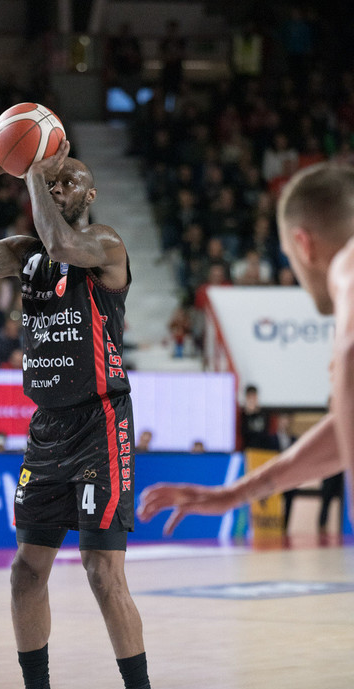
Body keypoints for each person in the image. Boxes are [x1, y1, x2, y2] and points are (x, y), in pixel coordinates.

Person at [0, 123, 171, 689]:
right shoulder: (25, 254)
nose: (59, 185)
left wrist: (36, 170)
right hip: (47, 429)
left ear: (88, 193)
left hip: (101, 423)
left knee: (102, 571)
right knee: (25, 570)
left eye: (70, 179)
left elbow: (64, 242)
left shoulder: (103, 244)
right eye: (53, 178)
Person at [138, 162, 354, 538]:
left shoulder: (346, 269)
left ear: (303, 245)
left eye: (288, 255)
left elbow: (349, 355)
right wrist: (236, 493)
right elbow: (345, 431)